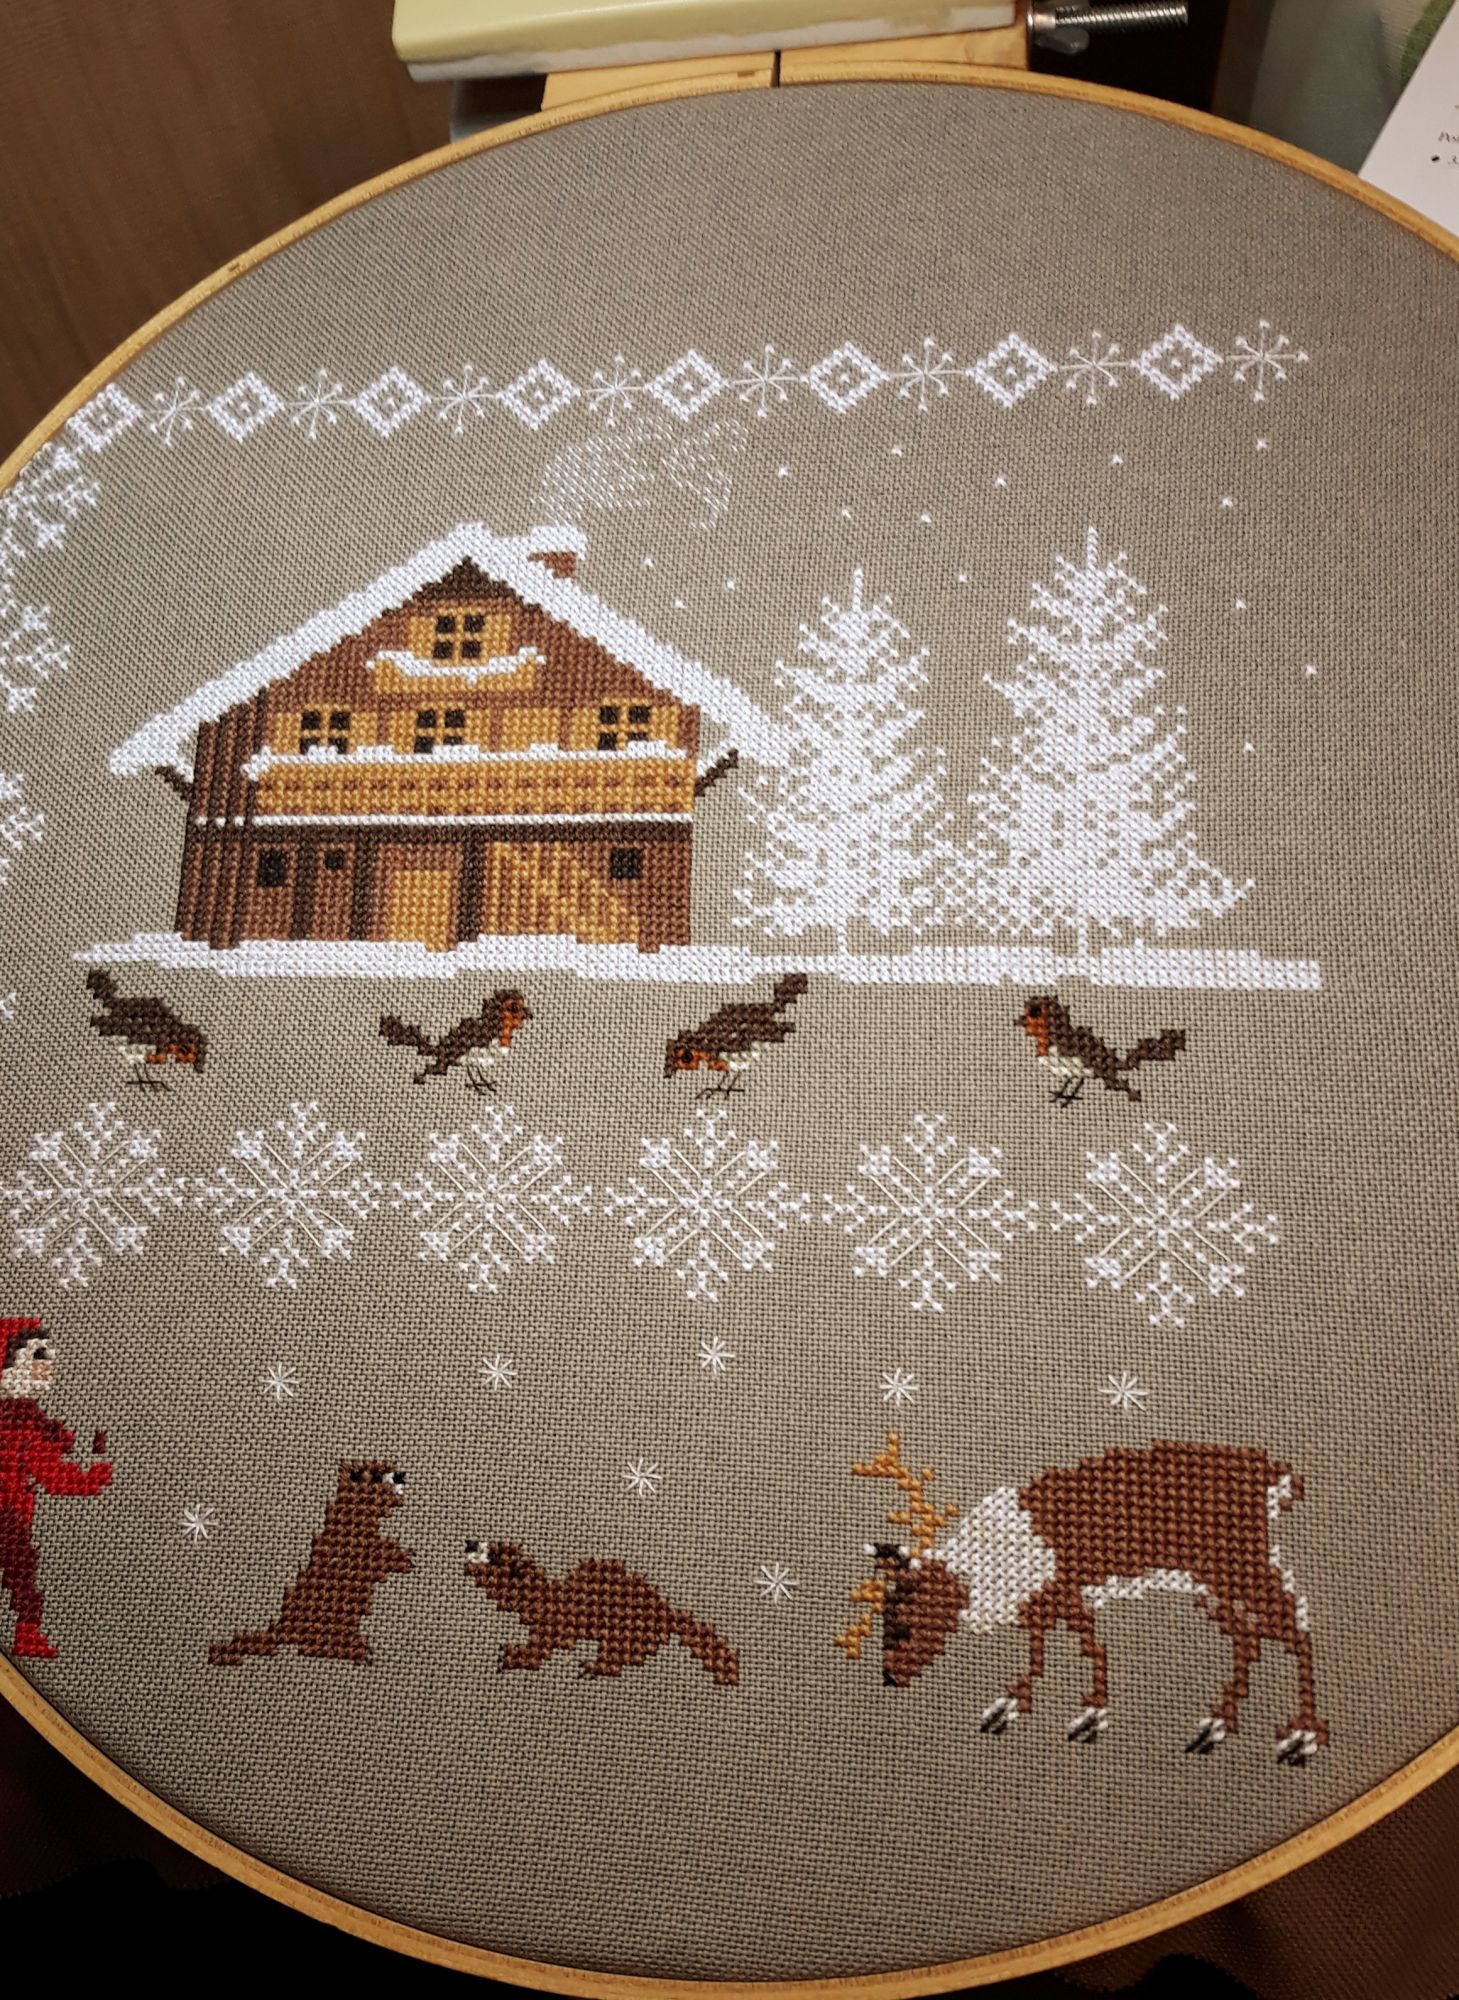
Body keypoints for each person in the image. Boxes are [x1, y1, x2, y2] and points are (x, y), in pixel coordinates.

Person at [0, 1318, 111, 1659]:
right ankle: (27, 1635)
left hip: (13, 1512)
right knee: (21, 1573)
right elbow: (51, 1474)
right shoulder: (20, 1422)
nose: (49, 1364)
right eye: (39, 1355)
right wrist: (92, 1479)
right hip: (8, 1514)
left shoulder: (23, 1418)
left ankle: (27, 1635)